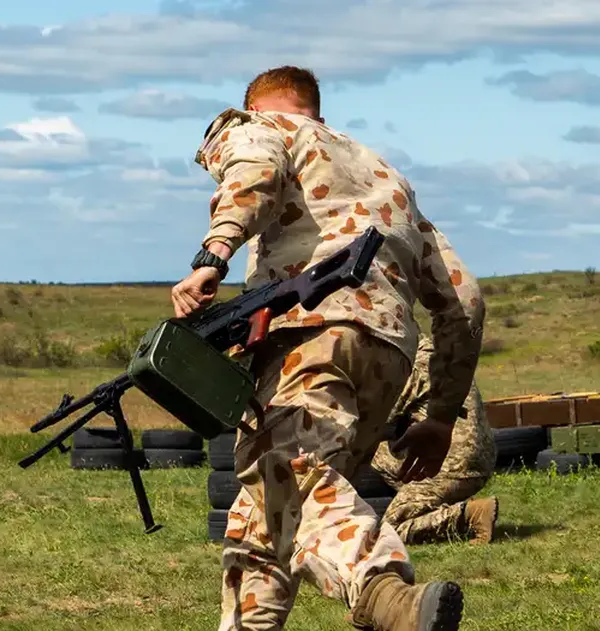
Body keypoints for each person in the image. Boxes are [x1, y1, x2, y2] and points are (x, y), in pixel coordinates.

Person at [170, 66, 485, 631]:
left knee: (297, 477)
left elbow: (254, 170)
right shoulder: (386, 177)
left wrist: (213, 255)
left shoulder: (259, 126)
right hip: (388, 355)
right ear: (317, 108)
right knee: (267, 514)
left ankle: (383, 593)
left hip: (308, 337)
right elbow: (465, 301)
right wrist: (439, 418)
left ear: (261, 106)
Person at [371, 335, 499, 545]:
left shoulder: (410, 365)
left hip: (448, 462)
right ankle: (421, 502)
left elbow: (376, 421)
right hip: (477, 456)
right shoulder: (438, 354)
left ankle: (468, 516)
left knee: (388, 530)